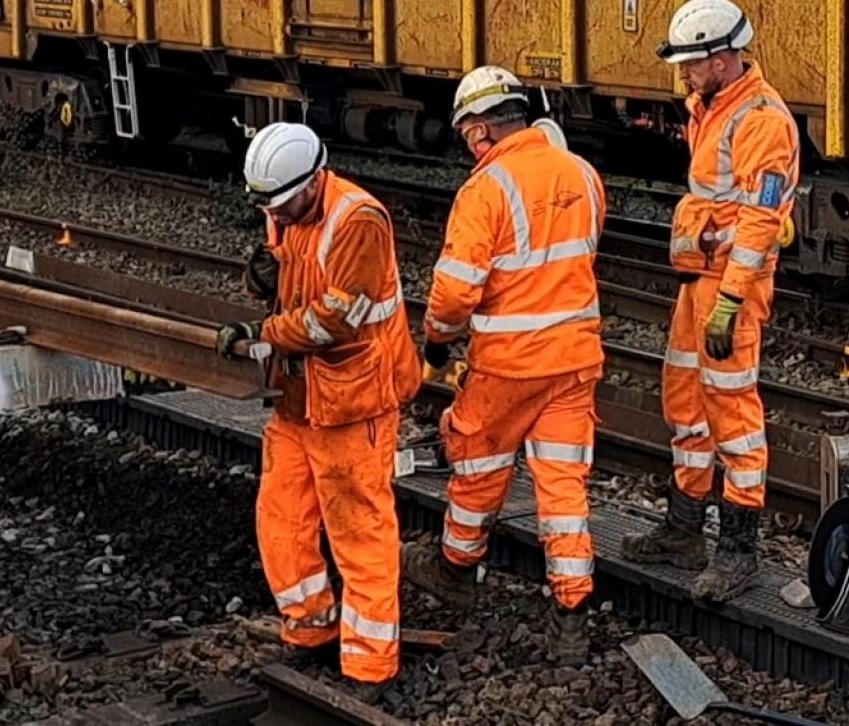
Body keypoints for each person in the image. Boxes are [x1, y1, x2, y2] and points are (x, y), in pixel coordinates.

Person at [401, 66, 605, 666]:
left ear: (482, 130)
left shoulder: (486, 190)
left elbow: (456, 291)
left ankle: (455, 569)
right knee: (563, 485)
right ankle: (572, 613)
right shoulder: (583, 174)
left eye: (468, 132)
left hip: (510, 365)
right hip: (575, 358)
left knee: (479, 464)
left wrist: (437, 342)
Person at [216, 123, 419, 701]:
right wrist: (260, 283)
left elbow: (334, 319)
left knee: (360, 532)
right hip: (298, 400)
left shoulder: (358, 220)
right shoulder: (282, 205)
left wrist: (262, 333)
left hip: (354, 401)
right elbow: (286, 280)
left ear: (314, 179)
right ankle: (310, 630)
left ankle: (371, 666)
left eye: (282, 205)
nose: (275, 216)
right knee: (281, 521)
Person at [621, 0, 799, 601]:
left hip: (729, 288)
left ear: (724, 58)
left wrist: (730, 301)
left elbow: (759, 221)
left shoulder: (762, 121)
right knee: (685, 401)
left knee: (734, 416)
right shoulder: (711, 106)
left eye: (692, 63)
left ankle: (738, 549)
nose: (683, 74)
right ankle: (684, 527)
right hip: (699, 281)